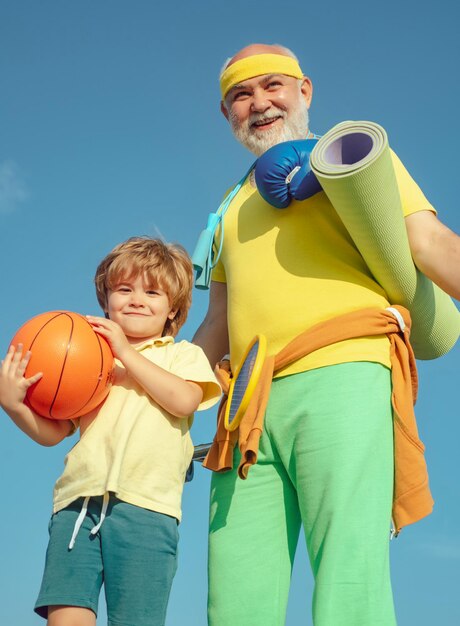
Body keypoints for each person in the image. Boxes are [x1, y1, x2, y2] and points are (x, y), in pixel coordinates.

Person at [192, 44, 460, 626]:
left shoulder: (354, 160)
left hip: (342, 370)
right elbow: (216, 321)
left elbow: (430, 244)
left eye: (272, 86)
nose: (259, 103)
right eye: (242, 95)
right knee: (234, 592)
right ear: (226, 114)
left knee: (348, 572)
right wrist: (154, 391)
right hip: (246, 406)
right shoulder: (229, 207)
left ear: (305, 91)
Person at [0, 237, 221, 626]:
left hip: (147, 510)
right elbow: (55, 432)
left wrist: (126, 353)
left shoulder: (181, 355)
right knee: (65, 615)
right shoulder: (88, 357)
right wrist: (15, 405)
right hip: (77, 503)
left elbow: (184, 401)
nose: (137, 299)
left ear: (173, 309)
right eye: (124, 289)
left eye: (152, 292)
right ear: (106, 300)